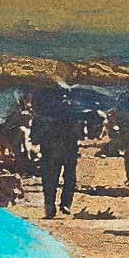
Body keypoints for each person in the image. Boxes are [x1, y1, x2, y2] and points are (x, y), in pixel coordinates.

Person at [32, 88, 83, 218]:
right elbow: (80, 131)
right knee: (68, 177)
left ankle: (51, 206)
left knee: (51, 179)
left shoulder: (44, 111)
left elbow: (35, 134)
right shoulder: (72, 110)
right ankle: (63, 204)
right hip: (65, 148)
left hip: (52, 149)